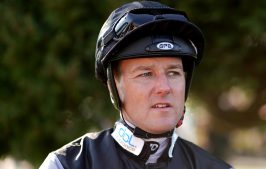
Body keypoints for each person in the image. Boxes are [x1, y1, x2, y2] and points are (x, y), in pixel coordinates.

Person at [40, 1, 233, 169]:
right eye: (146, 74)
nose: (164, 87)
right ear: (114, 85)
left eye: (173, 73)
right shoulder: (66, 165)